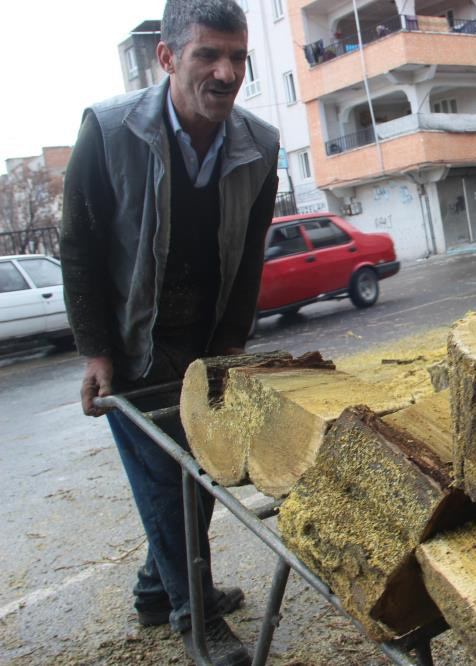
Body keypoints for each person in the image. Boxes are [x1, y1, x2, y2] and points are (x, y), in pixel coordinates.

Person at [59, 1, 279, 664]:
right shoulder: (108, 130)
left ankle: (158, 592)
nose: (225, 72)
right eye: (207, 55)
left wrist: (233, 344)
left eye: (237, 57)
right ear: (166, 57)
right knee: (168, 481)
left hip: (205, 341)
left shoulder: (260, 144)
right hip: (134, 341)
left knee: (201, 470)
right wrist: (96, 352)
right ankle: (196, 618)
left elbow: (250, 252)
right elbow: (79, 245)